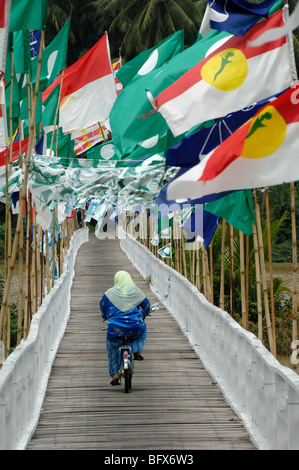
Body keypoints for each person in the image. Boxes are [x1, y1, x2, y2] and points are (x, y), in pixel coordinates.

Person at [100, 270, 151, 385]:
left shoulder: (109, 294)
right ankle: (136, 350)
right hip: (135, 327)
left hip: (115, 328)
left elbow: (103, 307)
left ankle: (114, 374)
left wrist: (105, 316)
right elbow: (146, 305)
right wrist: (146, 312)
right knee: (142, 329)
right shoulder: (136, 292)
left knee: (112, 348)